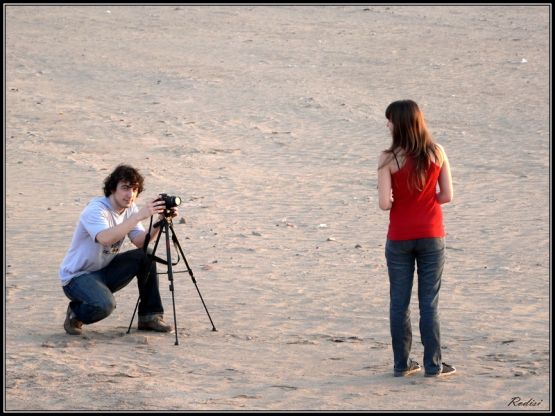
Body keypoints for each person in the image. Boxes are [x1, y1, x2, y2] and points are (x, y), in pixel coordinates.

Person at [377, 100, 455, 377]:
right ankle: (433, 365)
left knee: (399, 301)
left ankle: (402, 364)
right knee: (429, 302)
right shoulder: (437, 152)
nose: (387, 125)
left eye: (389, 120)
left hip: (399, 236)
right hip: (432, 234)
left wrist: (402, 201)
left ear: (400, 123)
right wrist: (424, 202)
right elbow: (446, 196)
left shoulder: (388, 158)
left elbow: (384, 204)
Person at [59, 164, 178, 335]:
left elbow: (140, 242)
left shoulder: (130, 209)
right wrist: (140, 215)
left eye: (135, 189)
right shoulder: (96, 210)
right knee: (104, 305)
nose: (130, 194)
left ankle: (149, 317)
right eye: (125, 188)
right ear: (112, 189)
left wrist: (160, 222)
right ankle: (76, 313)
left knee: (147, 255)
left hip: (104, 271)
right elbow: (105, 238)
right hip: (77, 277)